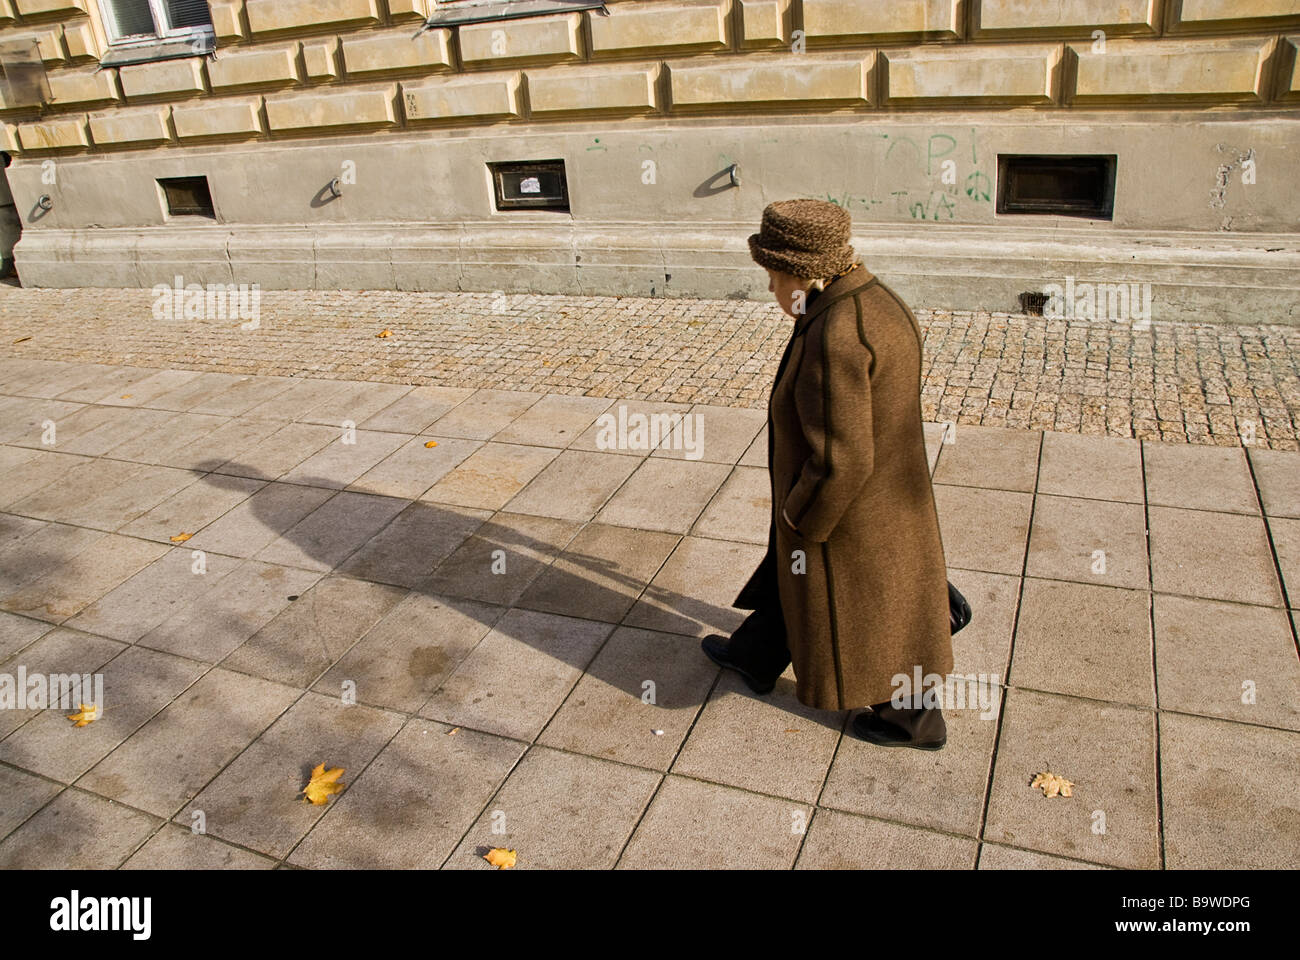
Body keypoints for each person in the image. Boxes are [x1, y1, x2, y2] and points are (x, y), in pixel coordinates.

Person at [701, 198, 954, 750]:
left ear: (802, 271)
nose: (769, 290)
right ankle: (755, 655)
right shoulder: (876, 300)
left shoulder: (834, 336)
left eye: (772, 276)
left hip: (851, 514)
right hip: (892, 496)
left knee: (869, 610)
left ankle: (911, 721)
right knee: (800, 585)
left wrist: (801, 519)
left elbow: (843, 459)